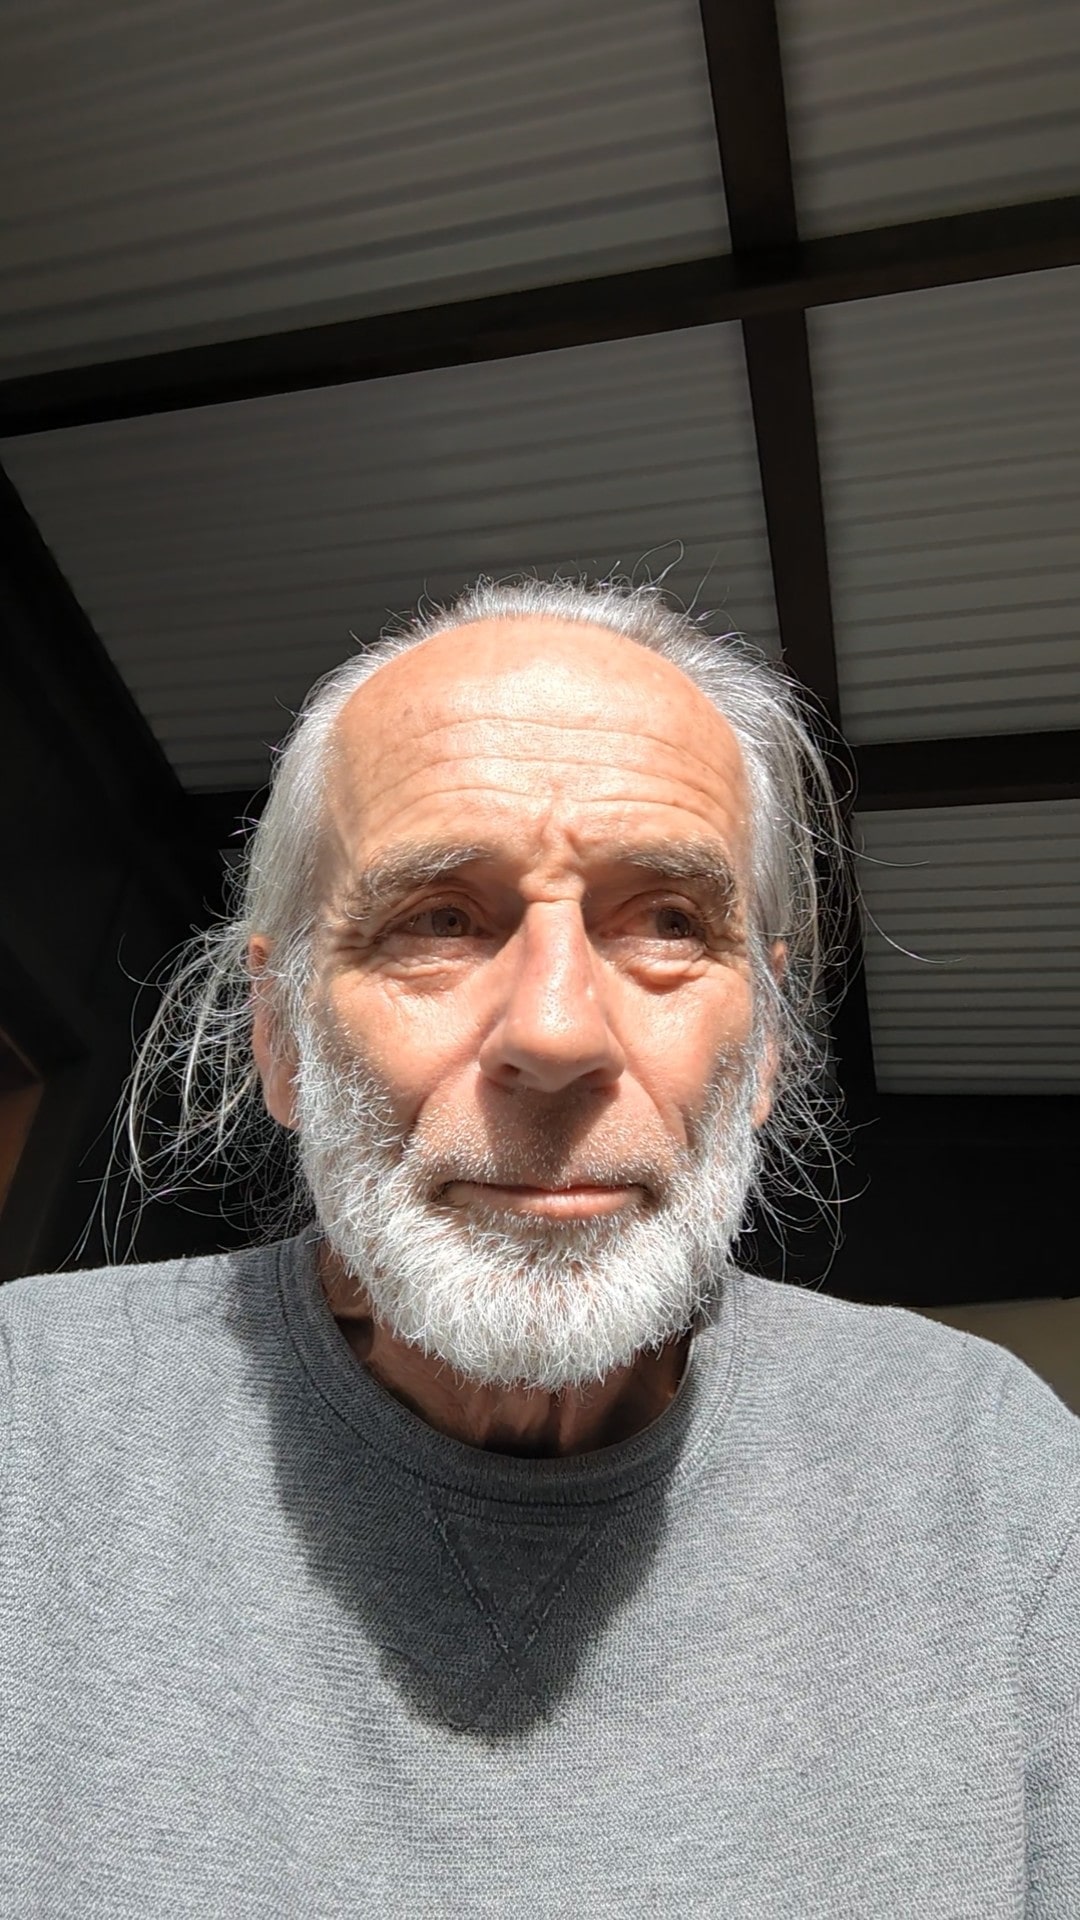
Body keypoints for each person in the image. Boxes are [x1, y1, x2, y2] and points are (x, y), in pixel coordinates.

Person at [1, 576, 1076, 1917]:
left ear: (763, 1053)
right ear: (281, 1036)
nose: (558, 1032)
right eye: (438, 920)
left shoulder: (992, 1479)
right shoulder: (27, 1423)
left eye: (670, 922)